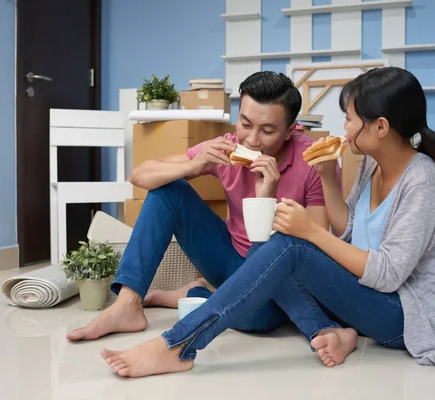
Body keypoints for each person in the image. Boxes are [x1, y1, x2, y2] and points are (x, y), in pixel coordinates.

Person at [98, 67, 435, 377]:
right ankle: (150, 309)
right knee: (281, 243)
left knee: (285, 243)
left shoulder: (424, 182)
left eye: (351, 119)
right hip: (365, 298)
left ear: (379, 127)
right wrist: (327, 180)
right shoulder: (371, 167)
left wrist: (308, 230)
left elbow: (389, 272)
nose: (344, 126)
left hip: (407, 318)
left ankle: (179, 345)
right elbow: (348, 231)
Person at [66, 71, 339, 341]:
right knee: (169, 189)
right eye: (245, 123)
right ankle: (127, 304)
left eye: (267, 131)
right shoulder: (226, 148)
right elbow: (139, 175)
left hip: (281, 278)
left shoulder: (313, 162)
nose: (252, 140)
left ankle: (195, 294)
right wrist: (193, 166)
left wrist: (266, 196)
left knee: (261, 319)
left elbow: (316, 243)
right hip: (230, 258)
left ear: (292, 131)